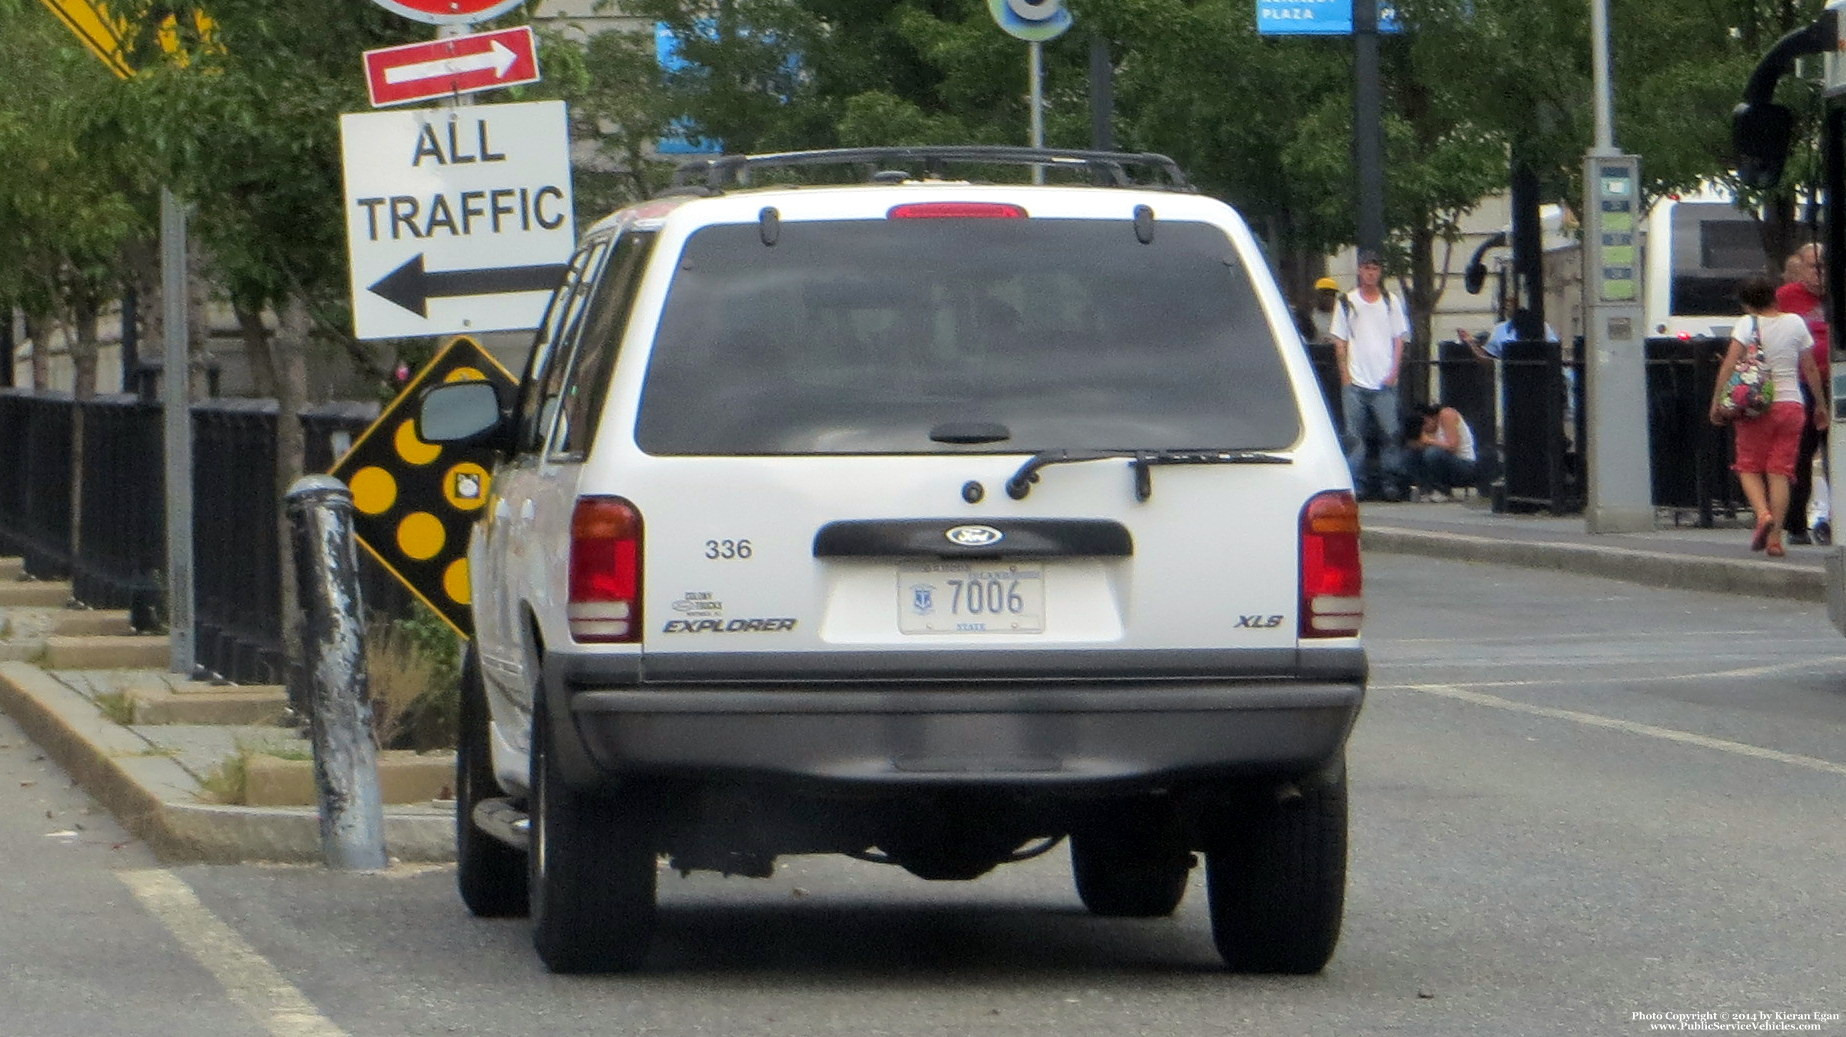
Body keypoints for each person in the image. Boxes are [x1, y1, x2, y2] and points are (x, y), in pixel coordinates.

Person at [1709, 276, 1829, 558]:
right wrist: (1820, 405)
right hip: (1792, 405)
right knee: (1781, 471)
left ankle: (1763, 514)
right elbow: (1810, 368)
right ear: (1774, 296)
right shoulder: (1796, 323)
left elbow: (1729, 363)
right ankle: (1776, 539)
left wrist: (1716, 400)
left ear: (1747, 303)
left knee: (1749, 466)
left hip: (1755, 405)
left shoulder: (1747, 324)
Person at [1330, 251, 1410, 499]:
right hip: (1355, 380)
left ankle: (1391, 483)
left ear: (1380, 272)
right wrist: (1345, 375)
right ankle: (1357, 482)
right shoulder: (1347, 302)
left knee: (1390, 433)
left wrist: (1394, 370)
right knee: (1355, 436)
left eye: (1374, 268)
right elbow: (1339, 340)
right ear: (1359, 271)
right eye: (1366, 268)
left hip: (1384, 380)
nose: (1370, 273)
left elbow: (1399, 339)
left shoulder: (1390, 301)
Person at [1775, 244, 1831, 545]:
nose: (1818, 273)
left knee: (1838, 454)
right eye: (1813, 267)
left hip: (1835, 381)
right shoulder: (1788, 297)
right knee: (1801, 455)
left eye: (1823, 266)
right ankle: (1796, 523)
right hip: (1802, 384)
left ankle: (1836, 517)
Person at [1404, 402, 1478, 500]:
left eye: (1425, 423)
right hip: (1443, 465)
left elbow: (1452, 446)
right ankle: (1426, 490)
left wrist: (1428, 441)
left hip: (1463, 463)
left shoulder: (1446, 415)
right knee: (1410, 455)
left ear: (1431, 417)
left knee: (1433, 453)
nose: (1425, 428)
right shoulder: (1427, 430)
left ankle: (1442, 491)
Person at [1305, 276, 1340, 345]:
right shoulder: (1309, 317)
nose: (1328, 298)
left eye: (1332, 295)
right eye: (1325, 294)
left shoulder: (1340, 317)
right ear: (1317, 295)